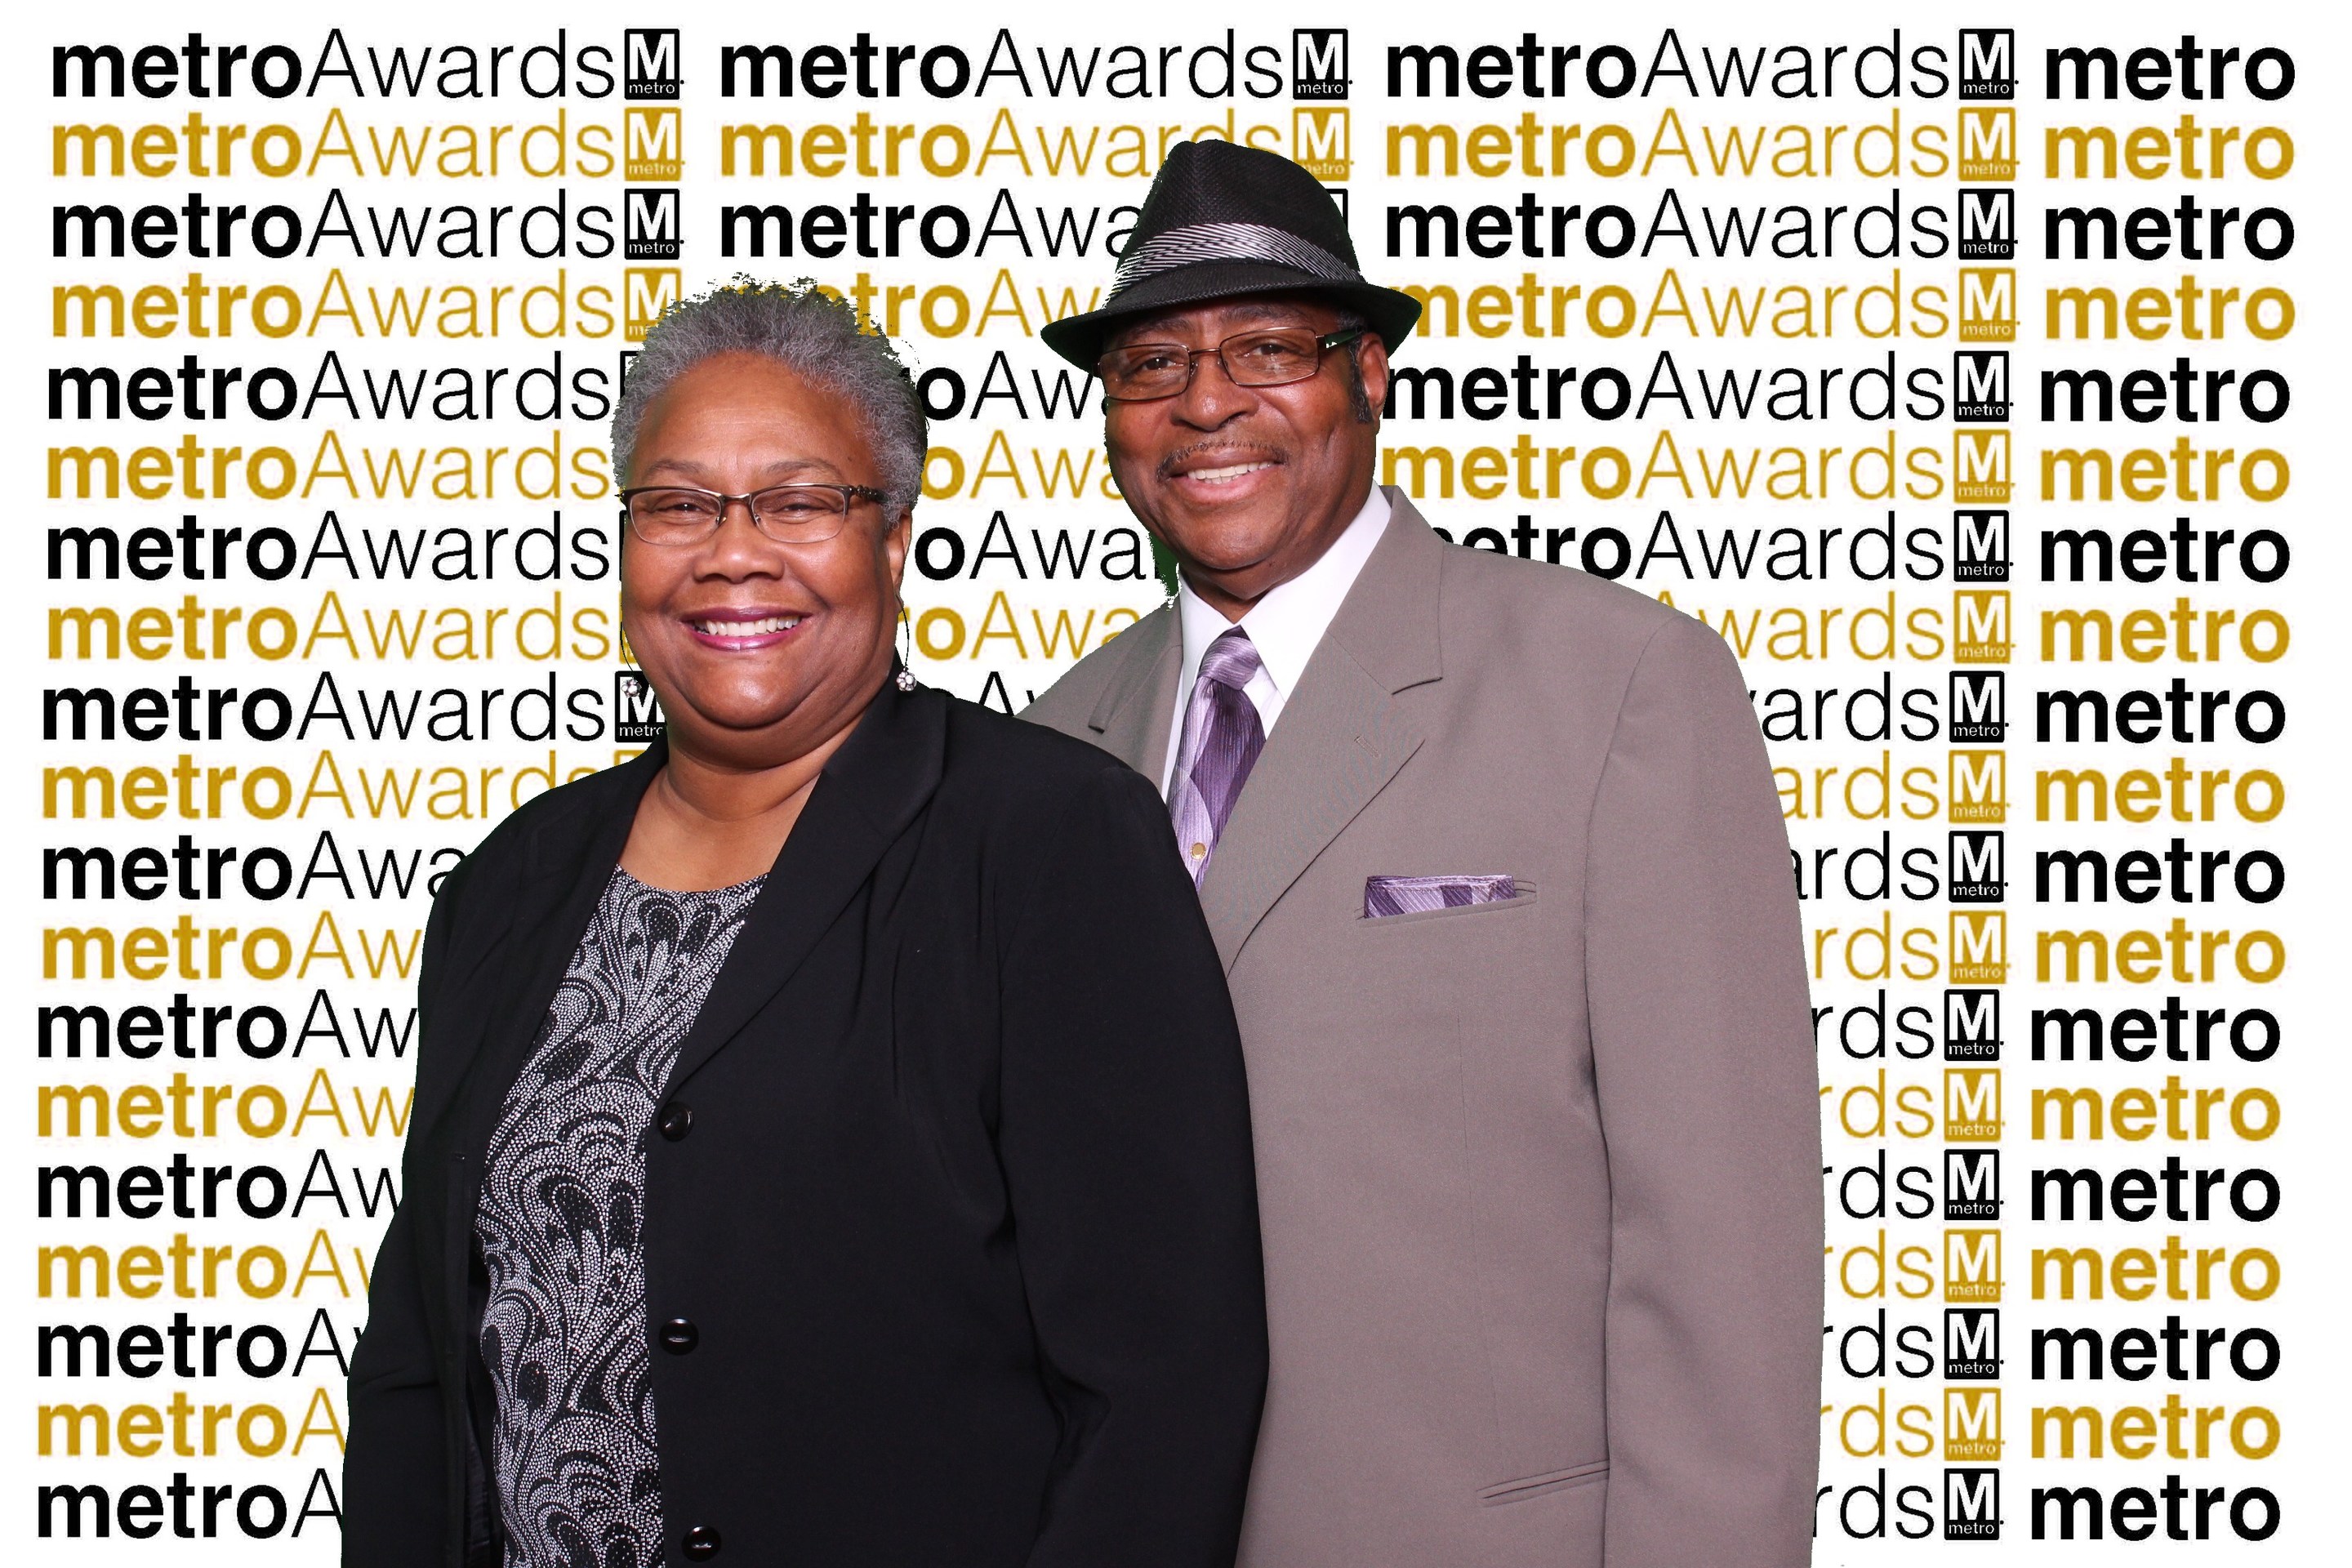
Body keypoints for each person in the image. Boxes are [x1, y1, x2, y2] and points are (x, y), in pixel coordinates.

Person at [345, 281, 1268, 1568]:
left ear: (891, 541)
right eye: (680, 505)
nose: (733, 552)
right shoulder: (513, 881)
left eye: (798, 503)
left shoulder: (1046, 839)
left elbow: (1161, 1390)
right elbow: (422, 1360)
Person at [1025, 140, 1824, 1567]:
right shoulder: (1055, 741)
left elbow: (1724, 1249)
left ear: (1369, 375)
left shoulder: (1616, 685)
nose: (1206, 401)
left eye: (1268, 347)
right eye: (1152, 364)